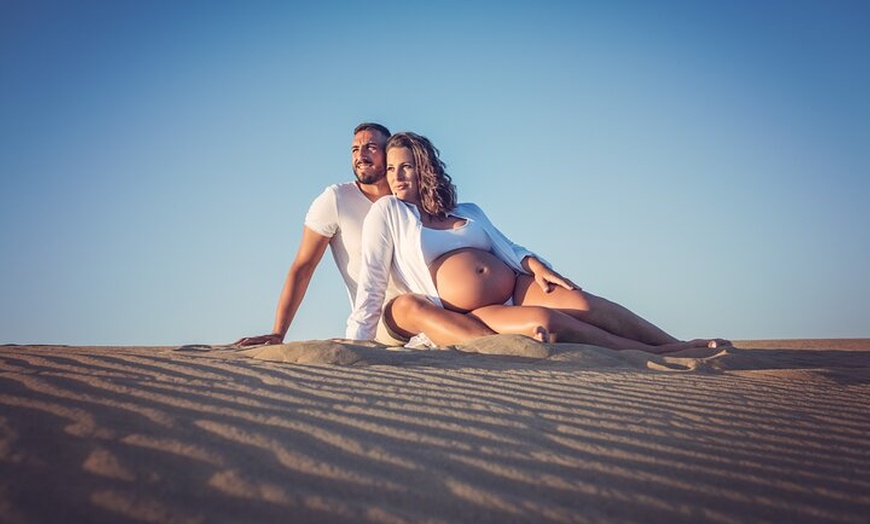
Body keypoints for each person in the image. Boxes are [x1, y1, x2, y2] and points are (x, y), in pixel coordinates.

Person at [346, 132, 728, 353]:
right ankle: (652, 354)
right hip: (472, 311)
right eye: (392, 168)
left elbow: (507, 247)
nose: (397, 176)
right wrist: (356, 343)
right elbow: (372, 280)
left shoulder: (469, 209)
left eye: (406, 166)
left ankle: (676, 343)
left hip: (517, 285)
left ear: (424, 167)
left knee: (583, 302)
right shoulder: (389, 213)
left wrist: (536, 265)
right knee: (549, 320)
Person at [235, 123, 496, 347]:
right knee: (412, 306)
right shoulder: (336, 199)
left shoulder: (410, 197)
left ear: (390, 153)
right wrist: (279, 333)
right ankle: (496, 348)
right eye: (354, 149)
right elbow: (303, 267)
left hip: (444, 306)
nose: (360, 155)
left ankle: (521, 345)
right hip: (387, 321)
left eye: (371, 147)